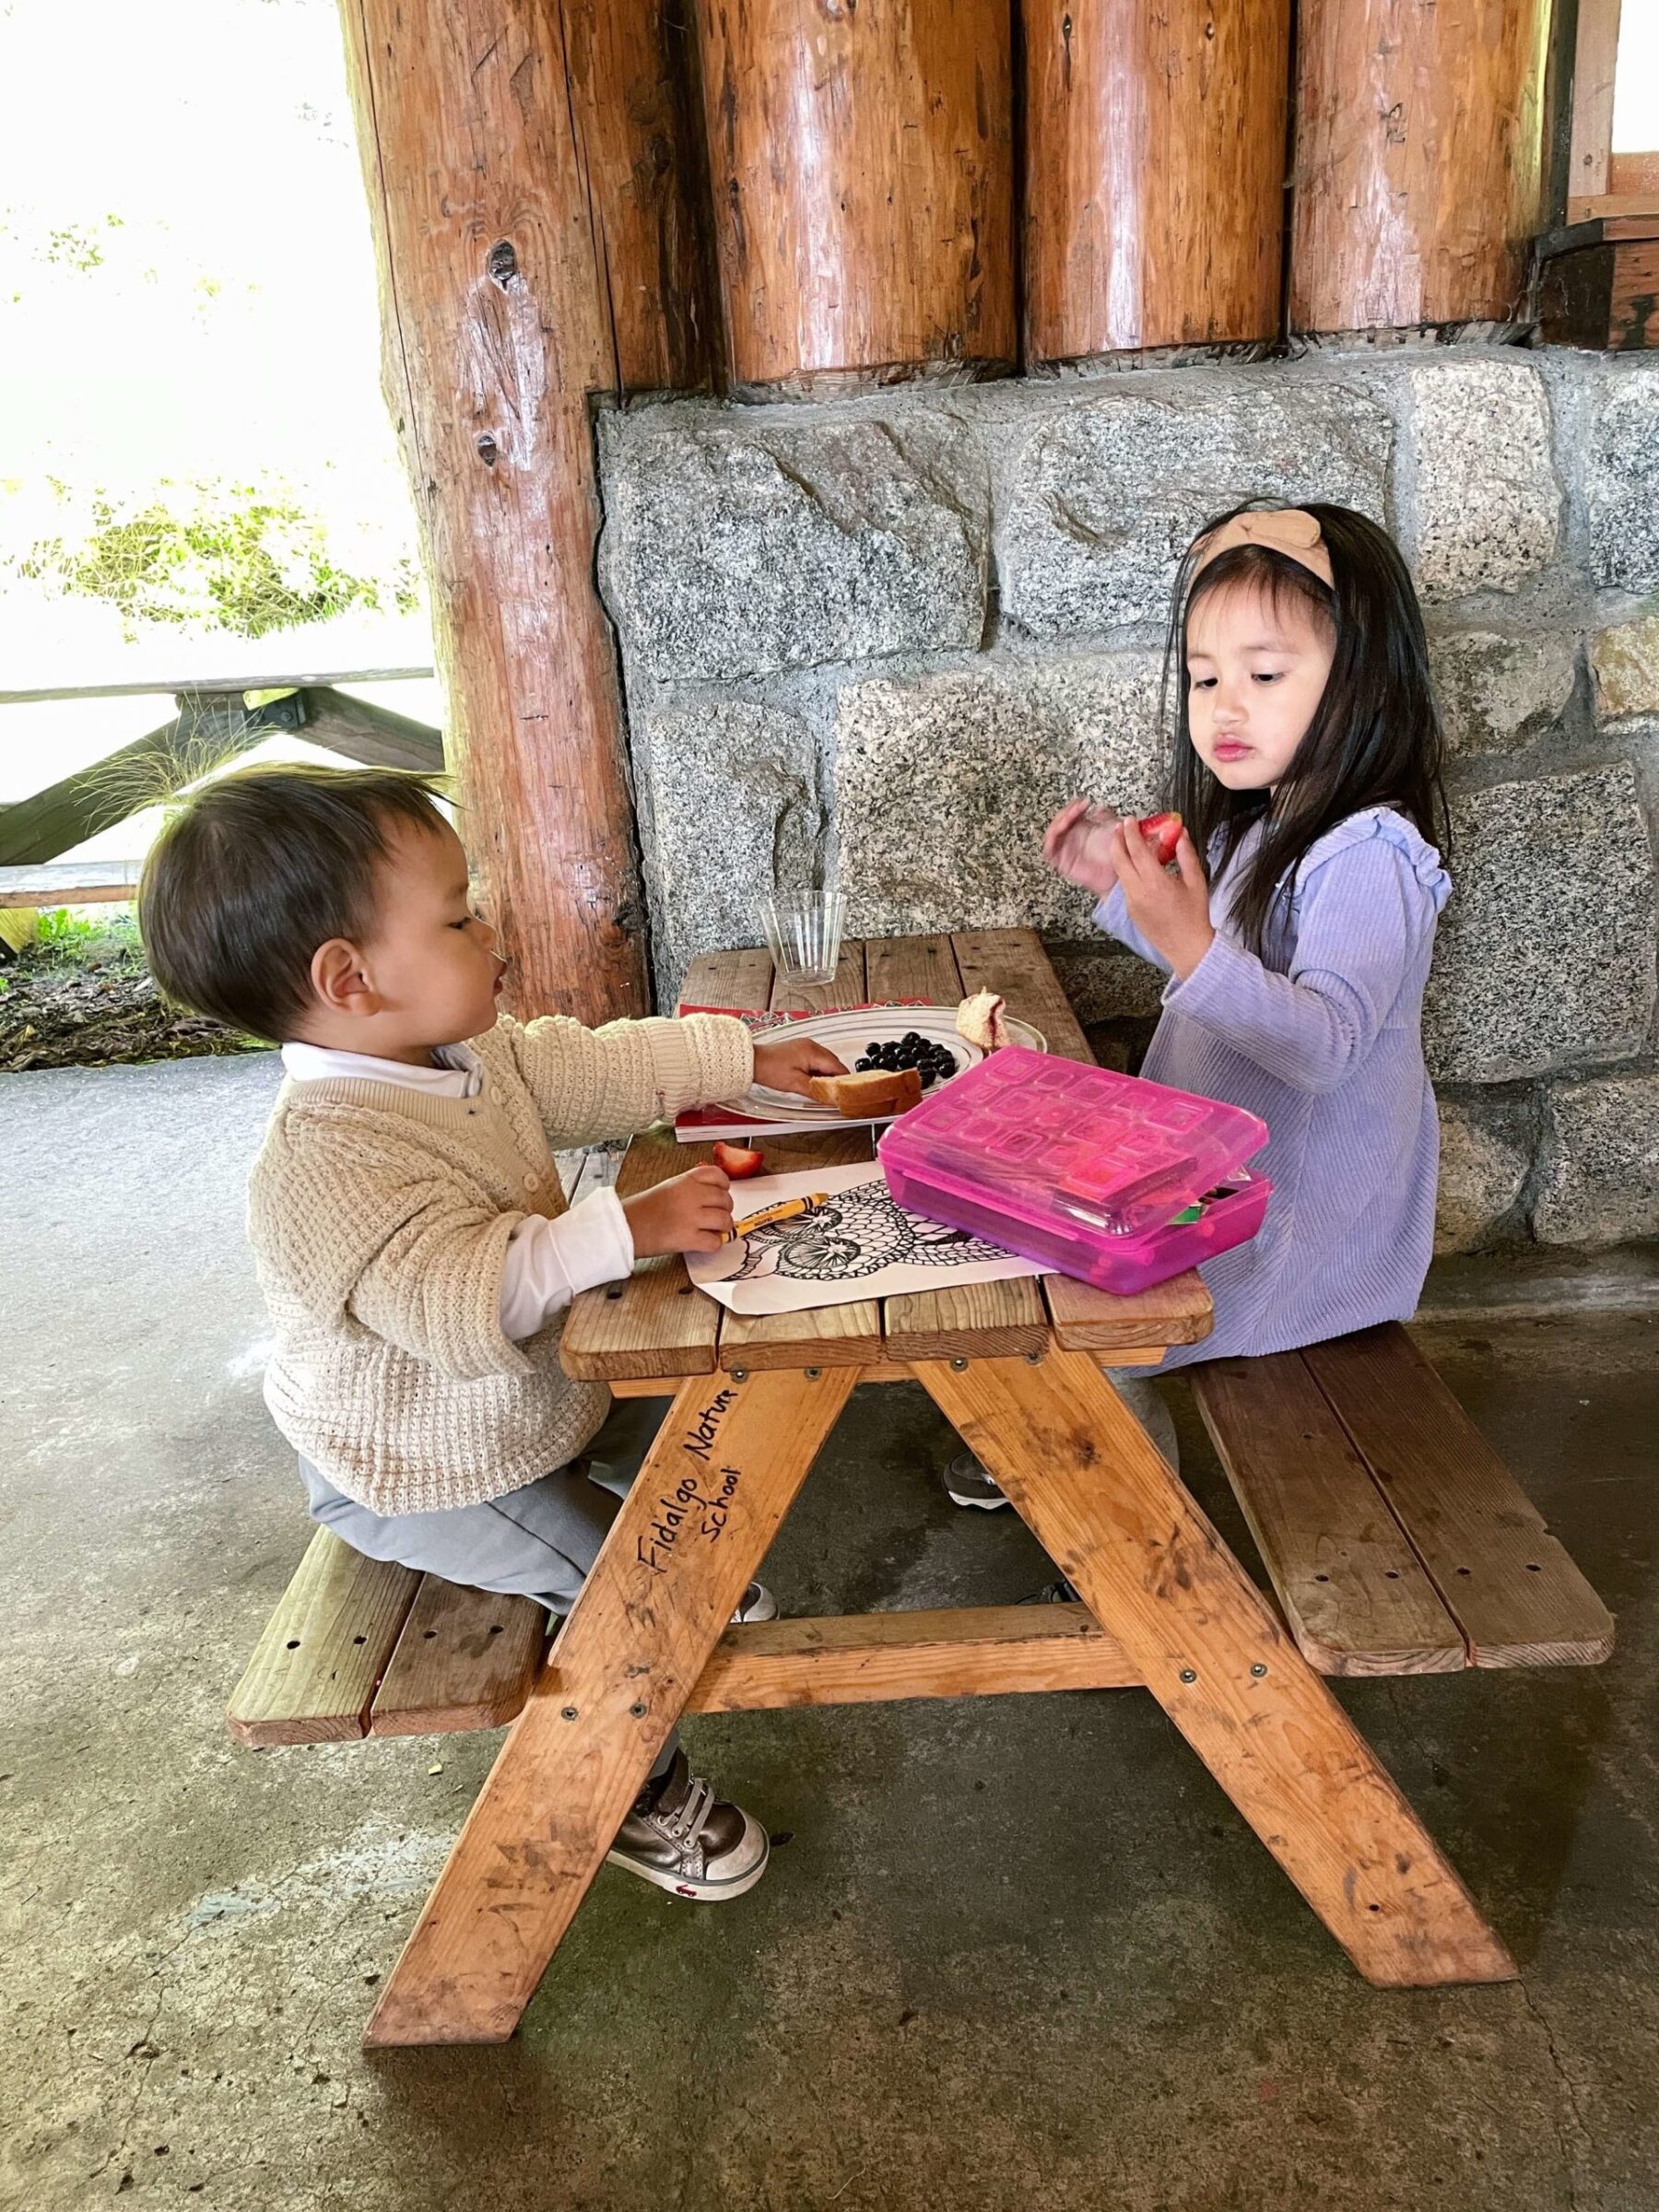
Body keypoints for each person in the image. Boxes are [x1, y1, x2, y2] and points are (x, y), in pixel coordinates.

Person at [139, 763, 845, 1901]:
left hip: (517, 1410)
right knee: (628, 1590)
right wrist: (630, 1226)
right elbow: (461, 1301)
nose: (493, 934)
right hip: (421, 1466)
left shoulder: (459, 1056)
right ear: (351, 978)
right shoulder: (327, 1161)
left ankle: (671, 1580)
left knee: (710, 1422)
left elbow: (590, 1066)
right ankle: (633, 1792)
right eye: (460, 917)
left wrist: (740, 1057)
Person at [946, 500, 1452, 1519]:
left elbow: (1323, 1047)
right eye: (1205, 677)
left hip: (1296, 1229)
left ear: (1364, 682)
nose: (1226, 707)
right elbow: (1220, 971)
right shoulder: (1267, 826)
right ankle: (1074, 1438)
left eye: (1264, 676)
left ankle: (1141, 1535)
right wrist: (1123, 891)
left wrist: (1185, 938)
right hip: (1218, 1185)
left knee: (1097, 1318)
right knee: (1014, 1225)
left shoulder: (1371, 856)